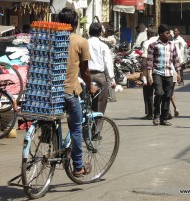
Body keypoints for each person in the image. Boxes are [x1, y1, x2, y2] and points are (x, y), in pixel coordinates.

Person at [58, 8, 97, 177]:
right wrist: (90, 86)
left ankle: (53, 144)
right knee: (76, 127)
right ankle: (79, 166)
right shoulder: (80, 42)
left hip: (51, 93)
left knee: (53, 121)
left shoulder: (52, 38)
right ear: (75, 24)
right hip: (69, 91)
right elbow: (85, 71)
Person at [146, 24, 181, 126]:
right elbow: (149, 62)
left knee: (167, 96)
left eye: (169, 33)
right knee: (159, 93)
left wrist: (178, 73)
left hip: (169, 74)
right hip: (157, 73)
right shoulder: (153, 45)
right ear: (160, 34)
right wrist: (149, 75)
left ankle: (164, 118)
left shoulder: (172, 45)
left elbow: (176, 60)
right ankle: (156, 115)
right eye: (166, 33)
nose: (169, 35)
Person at [88, 22, 116, 114]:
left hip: (85, 76)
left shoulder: (84, 43)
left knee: (84, 102)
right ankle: (98, 126)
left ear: (89, 32)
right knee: (101, 102)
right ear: (100, 33)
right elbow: (108, 63)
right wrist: (112, 79)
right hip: (99, 76)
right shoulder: (103, 46)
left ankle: (84, 125)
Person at [140, 26, 158, 120]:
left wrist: (143, 74)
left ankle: (150, 113)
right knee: (159, 92)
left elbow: (144, 60)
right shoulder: (161, 41)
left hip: (149, 69)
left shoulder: (147, 43)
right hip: (160, 69)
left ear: (149, 34)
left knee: (148, 92)